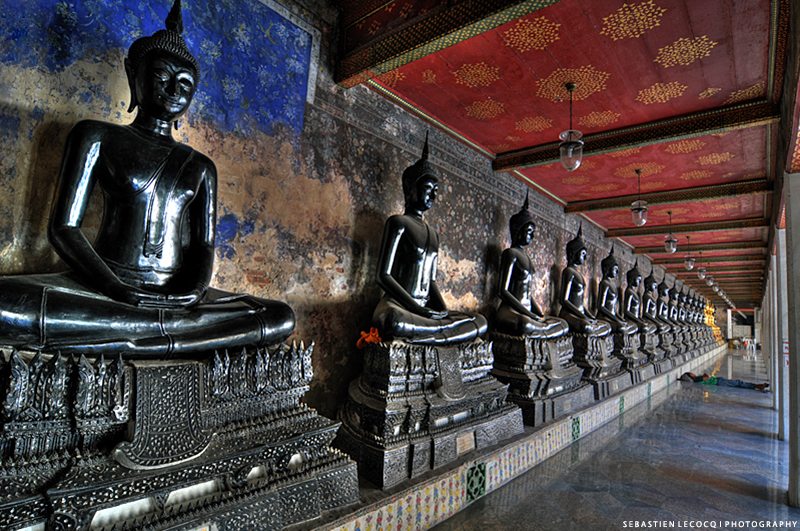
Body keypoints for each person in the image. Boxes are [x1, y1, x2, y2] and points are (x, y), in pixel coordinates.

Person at [0, 0, 295, 357]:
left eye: (185, 83)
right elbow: (63, 230)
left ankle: (133, 337)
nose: (174, 89)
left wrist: (192, 293)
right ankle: (155, 338)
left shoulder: (201, 166)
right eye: (161, 76)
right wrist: (115, 288)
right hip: (102, 290)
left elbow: (202, 247)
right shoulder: (96, 136)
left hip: (176, 296)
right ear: (133, 76)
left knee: (279, 317)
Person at [371, 135, 487, 345]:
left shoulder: (433, 233)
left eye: (436, 191)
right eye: (428, 189)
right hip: (399, 307)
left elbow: (431, 280)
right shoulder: (398, 223)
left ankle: (435, 333)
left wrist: (442, 310)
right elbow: (383, 276)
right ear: (409, 188)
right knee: (392, 321)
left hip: (425, 311)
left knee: (479, 321)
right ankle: (442, 336)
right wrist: (416, 308)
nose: (433, 196)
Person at [494, 193, 568, 339]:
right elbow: (503, 291)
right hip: (510, 312)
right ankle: (539, 330)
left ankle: (539, 328)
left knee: (563, 325)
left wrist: (539, 314)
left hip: (528, 313)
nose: (532, 236)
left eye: (532, 232)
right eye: (529, 231)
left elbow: (528, 294)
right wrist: (528, 314)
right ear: (517, 230)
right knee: (525, 324)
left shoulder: (526, 257)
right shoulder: (510, 254)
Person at [558, 224, 611, 336]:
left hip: (579, 314)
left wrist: (590, 316)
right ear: (573, 253)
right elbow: (564, 300)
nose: (585, 258)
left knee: (606, 326)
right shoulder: (568, 271)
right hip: (568, 314)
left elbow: (581, 303)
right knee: (586, 326)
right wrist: (583, 316)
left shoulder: (579, 275)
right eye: (583, 254)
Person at [679, 372, 769, 392]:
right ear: (690, 375)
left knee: (738, 384)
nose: (692, 372)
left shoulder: (697, 379)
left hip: (719, 381)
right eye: (691, 373)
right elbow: (706, 377)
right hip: (719, 382)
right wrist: (706, 375)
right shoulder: (697, 379)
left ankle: (757, 386)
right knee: (738, 383)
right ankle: (757, 386)